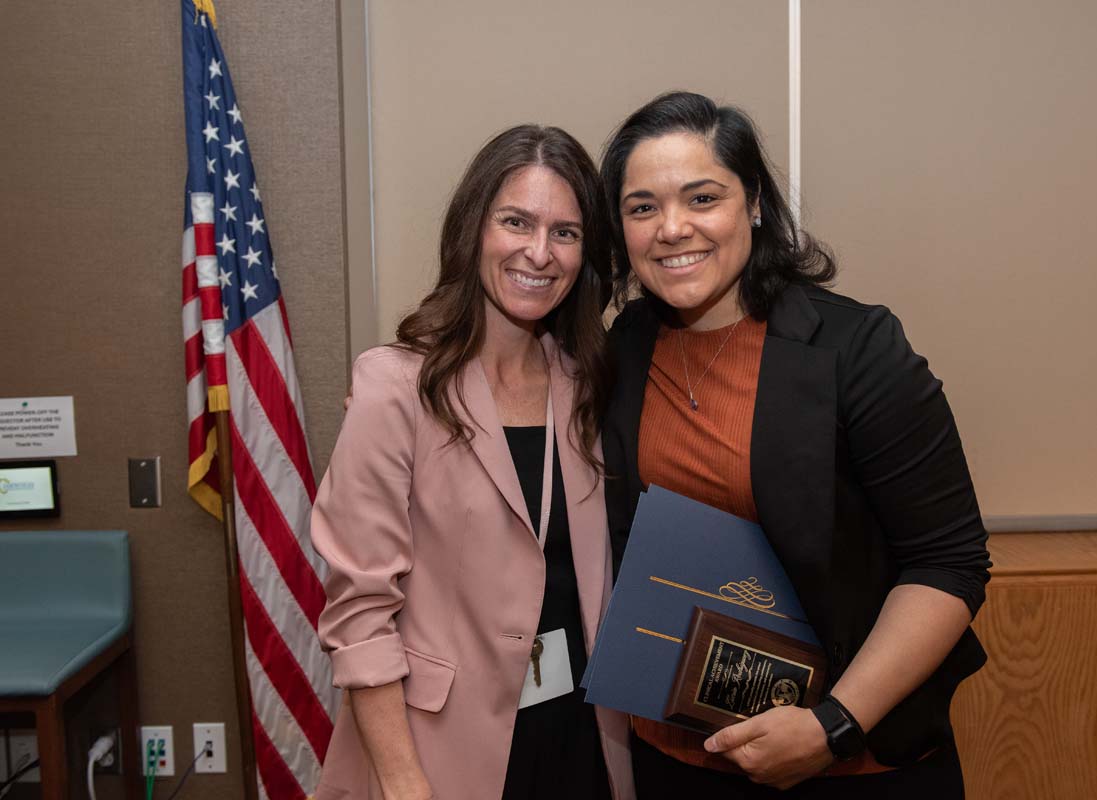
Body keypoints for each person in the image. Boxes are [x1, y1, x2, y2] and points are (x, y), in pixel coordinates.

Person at [600, 91, 991, 798]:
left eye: (702, 197)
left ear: (753, 203)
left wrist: (834, 726)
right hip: (674, 758)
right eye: (643, 207)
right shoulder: (623, 350)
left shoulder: (856, 349)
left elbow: (949, 563)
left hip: (848, 760)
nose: (673, 228)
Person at [311, 125, 634, 800]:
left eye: (566, 233)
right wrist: (403, 783)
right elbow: (360, 614)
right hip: (439, 749)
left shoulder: (590, 384)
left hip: (582, 735)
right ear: (473, 228)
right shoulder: (395, 386)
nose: (539, 253)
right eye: (516, 221)